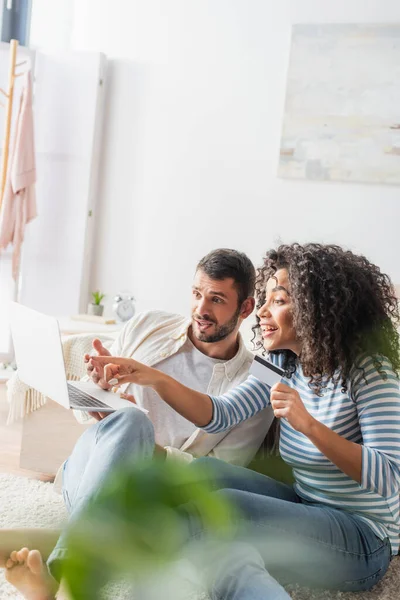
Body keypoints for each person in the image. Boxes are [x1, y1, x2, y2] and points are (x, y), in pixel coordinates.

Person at [4, 243, 400, 599]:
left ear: (316, 310)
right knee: (189, 483)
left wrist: (309, 424)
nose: (261, 312)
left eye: (276, 300)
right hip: (305, 503)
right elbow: (220, 414)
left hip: (364, 536)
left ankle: (70, 574)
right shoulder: (281, 363)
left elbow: (391, 476)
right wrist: (151, 376)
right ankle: (77, 556)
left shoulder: (369, 372)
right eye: (263, 299)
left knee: (216, 512)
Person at [0, 247, 273, 599]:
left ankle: (52, 574)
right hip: (89, 473)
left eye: (217, 299)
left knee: (133, 429)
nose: (201, 310)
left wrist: (147, 448)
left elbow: (217, 477)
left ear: (246, 308)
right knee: (129, 422)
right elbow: (91, 418)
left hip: (151, 503)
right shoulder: (150, 325)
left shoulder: (250, 388)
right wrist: (100, 390)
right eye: (196, 294)